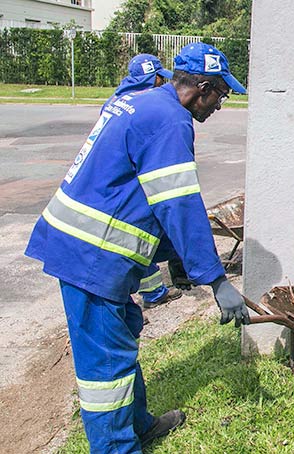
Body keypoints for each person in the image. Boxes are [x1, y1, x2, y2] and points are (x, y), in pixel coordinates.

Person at [24, 42, 250, 452]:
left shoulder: (144, 102)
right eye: (221, 93)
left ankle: (139, 424)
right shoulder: (169, 121)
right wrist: (217, 281)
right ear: (202, 87)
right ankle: (117, 447)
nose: (220, 104)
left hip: (89, 246)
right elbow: (179, 204)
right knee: (105, 367)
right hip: (89, 255)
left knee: (124, 332)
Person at [106, 53, 185, 309]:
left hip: (112, 184)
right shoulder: (151, 105)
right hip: (133, 188)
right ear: (156, 77)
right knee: (138, 237)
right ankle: (153, 293)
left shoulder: (118, 99)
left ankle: (148, 291)